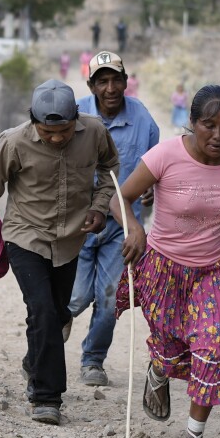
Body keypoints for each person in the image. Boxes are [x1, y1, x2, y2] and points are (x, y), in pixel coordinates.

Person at [113, 85, 220, 438]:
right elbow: (118, 197)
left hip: (215, 267)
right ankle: (159, 369)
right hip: (164, 267)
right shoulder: (165, 155)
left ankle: (193, 437)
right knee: (169, 350)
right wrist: (135, 229)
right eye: (208, 125)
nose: (218, 136)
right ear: (192, 123)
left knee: (212, 345)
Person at [0, 80, 120, 426]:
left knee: (55, 314)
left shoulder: (95, 132)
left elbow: (109, 169)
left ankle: (34, 362)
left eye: (64, 131)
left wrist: (99, 207)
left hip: (70, 239)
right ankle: (46, 396)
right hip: (26, 235)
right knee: (42, 311)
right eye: (47, 132)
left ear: (76, 120)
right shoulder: (14, 141)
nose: (56, 138)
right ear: (34, 121)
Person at [69, 51, 160, 387]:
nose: (110, 88)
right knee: (77, 297)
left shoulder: (143, 119)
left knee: (109, 299)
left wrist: (152, 189)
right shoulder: (73, 115)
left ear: (125, 81)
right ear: (91, 85)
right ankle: (56, 324)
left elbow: (154, 165)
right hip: (76, 224)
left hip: (121, 228)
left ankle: (93, 360)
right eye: (102, 81)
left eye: (116, 79)